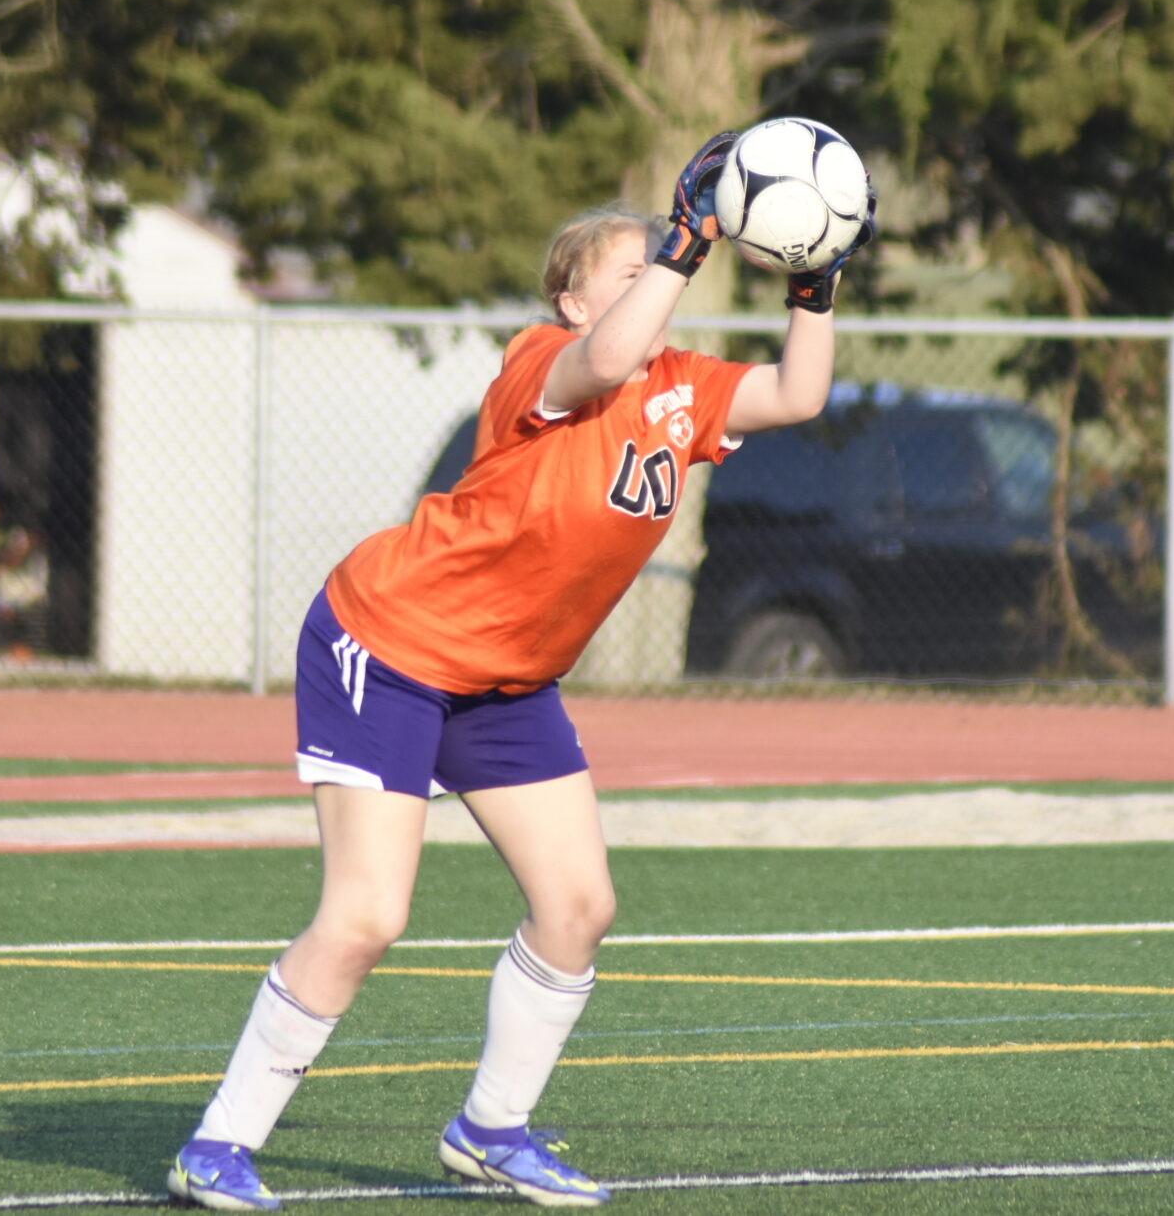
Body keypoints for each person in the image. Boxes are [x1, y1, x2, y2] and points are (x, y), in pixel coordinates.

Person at [168, 132, 870, 1211]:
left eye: (661, 266)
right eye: (624, 271)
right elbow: (600, 363)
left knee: (579, 906)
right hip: (390, 645)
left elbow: (800, 394)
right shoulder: (540, 362)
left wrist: (814, 283)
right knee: (366, 918)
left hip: (505, 683)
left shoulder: (680, 389)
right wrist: (682, 240)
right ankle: (218, 1144)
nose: (653, 280)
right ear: (572, 300)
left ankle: (489, 1129)